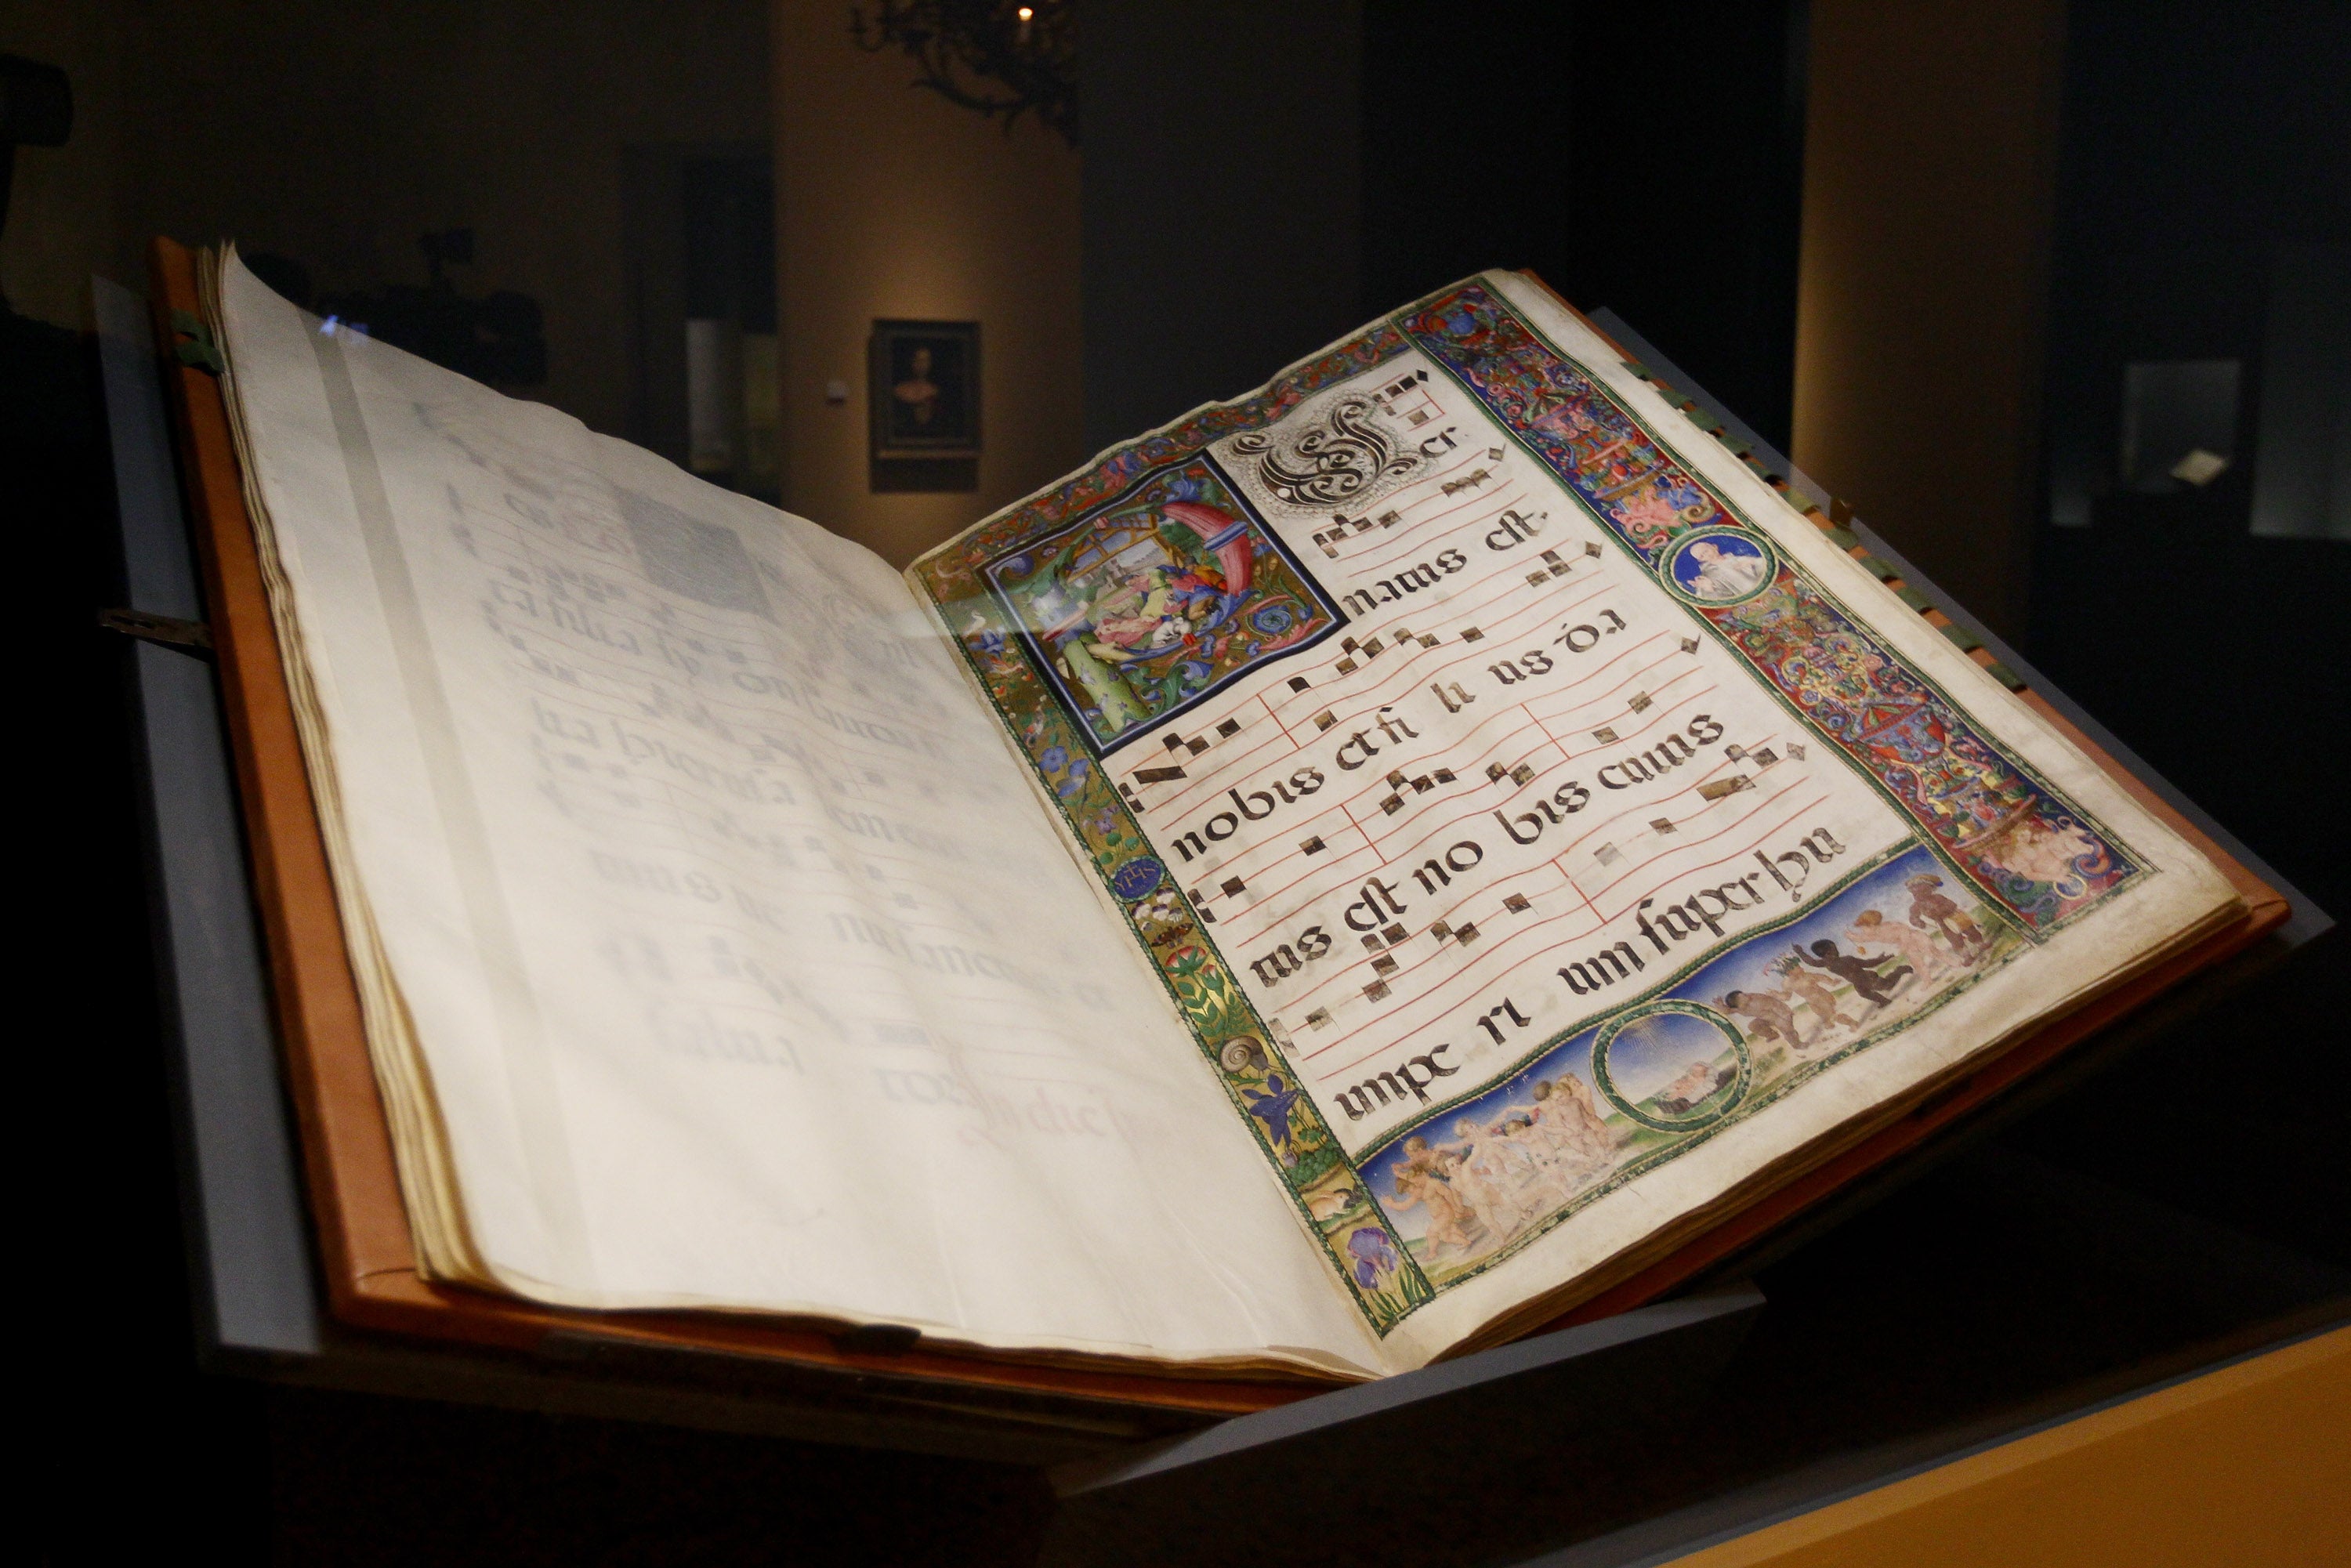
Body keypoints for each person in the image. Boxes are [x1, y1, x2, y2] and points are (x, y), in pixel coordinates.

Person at [1792, 939, 1908, 1010]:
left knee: (1887, 986)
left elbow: (1867, 963)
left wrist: (1881, 960)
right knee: (1864, 994)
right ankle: (1884, 1001)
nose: (1837, 951)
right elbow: (1811, 962)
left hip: (1867, 978)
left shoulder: (1846, 959)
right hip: (1858, 983)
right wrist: (1800, 952)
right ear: (1828, 953)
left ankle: (1900, 970)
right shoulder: (1826, 963)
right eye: (1835, 949)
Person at [1848, 907, 1947, 981]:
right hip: (1908, 947)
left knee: (1934, 953)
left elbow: (1904, 929)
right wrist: (1852, 936)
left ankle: (1952, 961)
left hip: (1916, 938)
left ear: (1872, 925)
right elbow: (1862, 939)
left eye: (1863, 928)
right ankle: (1928, 980)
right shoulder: (1874, 935)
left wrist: (1904, 944)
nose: (1863, 931)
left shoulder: (1887, 927)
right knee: (1917, 963)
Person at [1773, 953, 1858, 1037]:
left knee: (1832, 1015)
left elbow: (1821, 977)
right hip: (1811, 1002)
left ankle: (1852, 1023)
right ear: (1789, 972)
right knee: (1822, 1015)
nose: (1801, 967)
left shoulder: (1807, 976)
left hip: (1822, 997)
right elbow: (1787, 996)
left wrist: (1832, 982)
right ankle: (1828, 1022)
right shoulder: (1787, 984)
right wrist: (1776, 995)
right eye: (1797, 967)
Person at [1906, 873, 1987, 960]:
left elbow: (1951, 904)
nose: (1921, 895)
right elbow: (1913, 917)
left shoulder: (1938, 897)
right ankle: (1966, 955)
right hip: (1942, 923)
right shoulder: (1916, 906)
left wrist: (1948, 908)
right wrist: (1918, 922)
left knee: (1970, 930)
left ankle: (1980, 943)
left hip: (1954, 916)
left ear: (1931, 889)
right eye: (1916, 894)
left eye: (1925, 891)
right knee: (1955, 939)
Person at [1681, 538, 1767, 600]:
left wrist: (1753, 562)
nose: (1707, 555)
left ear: (1714, 547)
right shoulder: (1708, 576)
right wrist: (1709, 589)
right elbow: (1711, 599)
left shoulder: (1737, 559)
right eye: (1702, 556)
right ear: (1700, 560)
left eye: (1706, 551)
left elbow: (1764, 565)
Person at [1722, 987, 1802, 1050]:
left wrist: (1786, 1015)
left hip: (1779, 1015)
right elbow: (1728, 1011)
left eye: (1744, 994)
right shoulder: (1740, 1009)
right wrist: (1721, 1006)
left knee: (1788, 1033)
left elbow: (1776, 1004)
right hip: (1766, 1019)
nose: (1747, 996)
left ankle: (1797, 1044)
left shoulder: (1757, 1000)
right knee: (1752, 1026)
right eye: (1742, 998)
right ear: (1739, 1006)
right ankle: (1772, 1035)